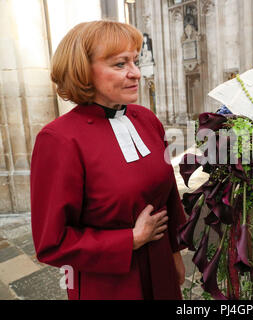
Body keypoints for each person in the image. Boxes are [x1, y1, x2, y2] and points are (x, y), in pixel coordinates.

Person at [30, 20, 187, 300]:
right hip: (110, 285)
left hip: (162, 270)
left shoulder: (147, 119)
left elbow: (169, 196)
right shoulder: (59, 139)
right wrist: (130, 240)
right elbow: (51, 242)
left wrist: (175, 253)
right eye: (120, 64)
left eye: (135, 61)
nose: (136, 73)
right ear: (83, 72)